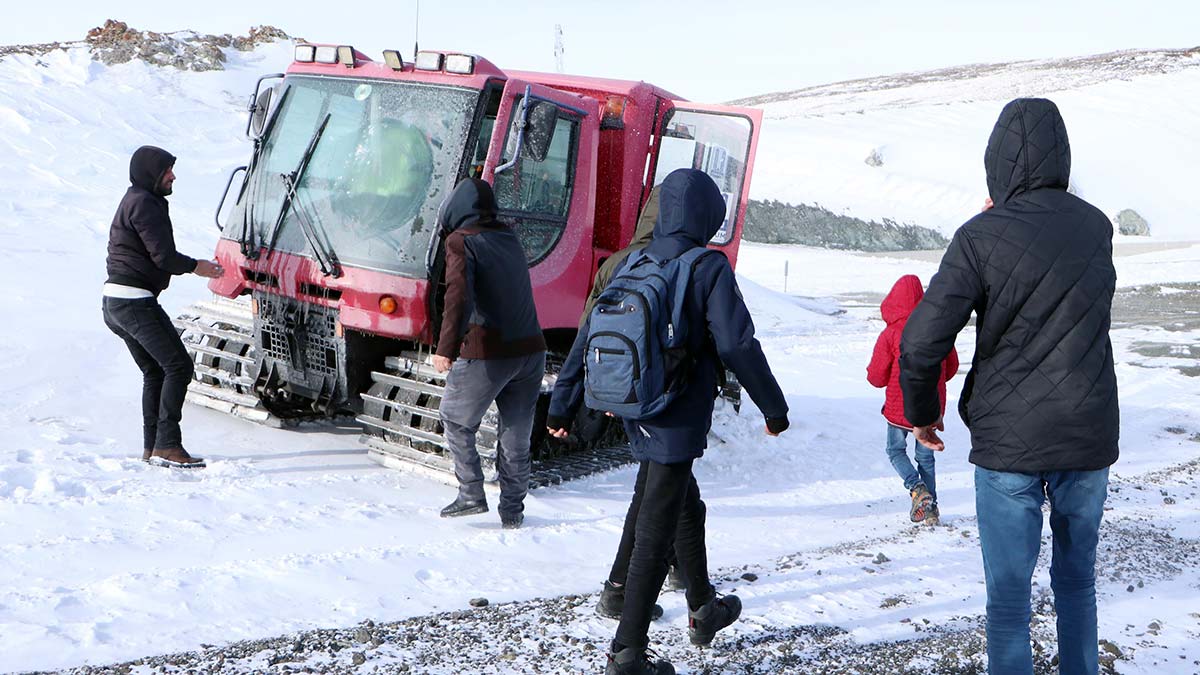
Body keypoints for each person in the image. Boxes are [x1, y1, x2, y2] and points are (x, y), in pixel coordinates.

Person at [899, 98, 1119, 675]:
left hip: (1008, 441)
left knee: (1008, 597)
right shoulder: (1097, 227)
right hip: (1086, 430)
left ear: (995, 161)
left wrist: (921, 414)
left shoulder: (979, 236)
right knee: (1077, 584)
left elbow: (921, 342)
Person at [547, 169, 790, 675]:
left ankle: (703, 608)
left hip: (638, 406)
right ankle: (627, 651)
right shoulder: (707, 266)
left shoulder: (630, 261)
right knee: (656, 528)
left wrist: (562, 402)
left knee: (680, 501)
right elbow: (736, 344)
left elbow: (588, 332)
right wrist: (773, 408)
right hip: (678, 412)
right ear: (707, 214)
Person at [434, 178, 546, 530]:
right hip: (531, 350)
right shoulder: (509, 237)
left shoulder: (461, 241)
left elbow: (458, 298)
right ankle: (512, 511)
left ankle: (471, 493)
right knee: (515, 435)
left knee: (454, 417)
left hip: (490, 351)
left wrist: (445, 348)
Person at [103, 145, 223, 468]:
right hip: (133, 301)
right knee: (179, 366)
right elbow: (164, 258)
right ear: (150, 174)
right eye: (166, 170)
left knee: (155, 370)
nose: (172, 176)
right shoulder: (144, 203)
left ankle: (152, 447)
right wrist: (199, 266)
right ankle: (167, 444)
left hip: (116, 301)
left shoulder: (135, 200)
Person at [866, 274, 958, 525]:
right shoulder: (938, 328)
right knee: (926, 456)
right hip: (929, 407)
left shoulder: (890, 334)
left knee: (895, 451)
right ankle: (931, 509)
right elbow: (951, 368)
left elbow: (876, 376)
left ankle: (917, 488)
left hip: (899, 409)